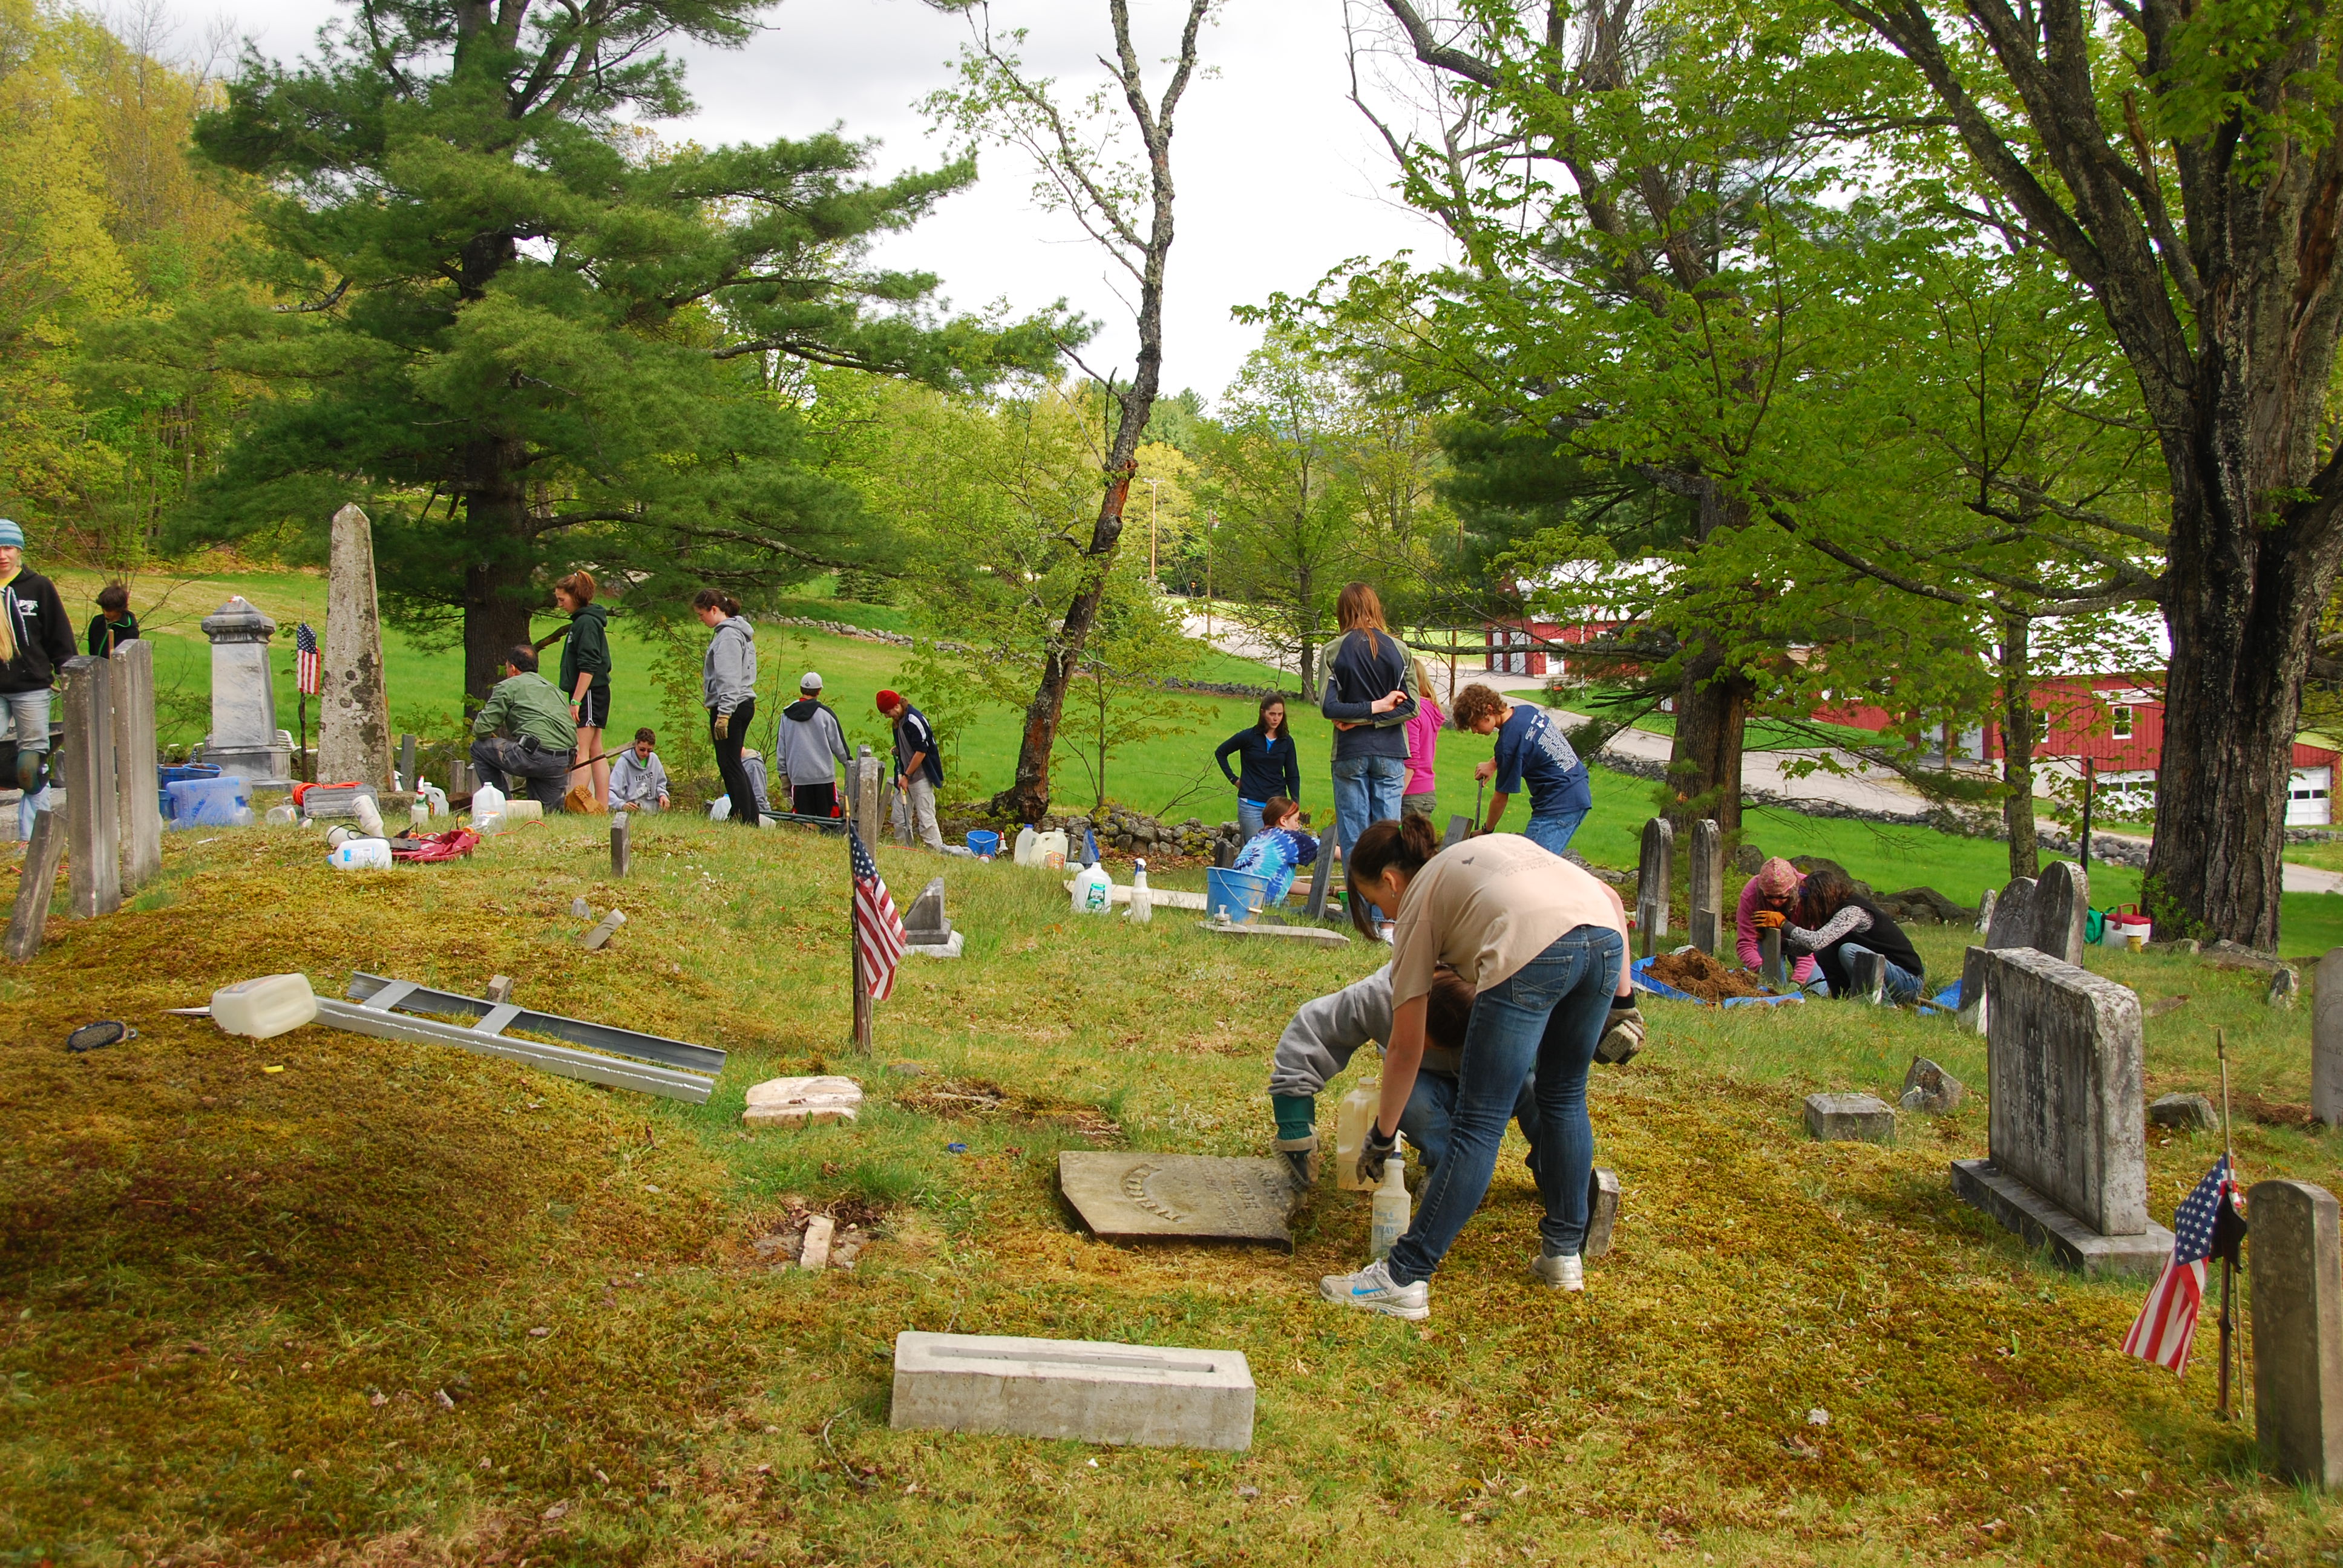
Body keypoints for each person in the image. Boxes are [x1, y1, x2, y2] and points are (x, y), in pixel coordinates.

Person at [1318, 815, 1639, 1319]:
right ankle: (1563, 1253)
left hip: (1531, 947)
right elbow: (1612, 899)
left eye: (1377, 902)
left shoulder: (1420, 900)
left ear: (1391, 881)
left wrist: (1383, 1134)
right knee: (1563, 1096)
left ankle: (1404, 1277)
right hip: (1603, 941)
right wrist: (1625, 999)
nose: (1385, 914)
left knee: (1479, 1122)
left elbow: (1404, 1047)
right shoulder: (1490, 850)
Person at [1268, 963, 1544, 1187]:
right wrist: (1294, 1122)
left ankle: (1553, 1171)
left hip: (1499, 1075)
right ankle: (1443, 1166)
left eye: (1429, 1047)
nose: (1419, 1048)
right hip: (1424, 1084)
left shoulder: (1508, 1006)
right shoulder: (1380, 995)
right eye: (1413, 1041)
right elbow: (1313, 1030)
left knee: (1539, 1089)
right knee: (1409, 1100)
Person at [1319, 582, 1415, 913]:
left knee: (1355, 838)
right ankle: (1386, 916)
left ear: (1343, 610)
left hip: (1349, 753)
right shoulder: (1400, 650)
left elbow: (1330, 708)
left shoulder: (1333, 650)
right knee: (1389, 838)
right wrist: (1379, 709)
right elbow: (1411, 706)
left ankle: (1359, 915)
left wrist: (1360, 719)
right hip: (1390, 754)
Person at [1452, 682, 1595, 855]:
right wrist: (1494, 763)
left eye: (1474, 724)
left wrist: (1486, 831)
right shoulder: (1526, 712)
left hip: (1559, 804)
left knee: (1530, 865)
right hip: (1577, 789)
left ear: (1488, 710)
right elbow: (1526, 744)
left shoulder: (1507, 745)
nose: (1474, 731)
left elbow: (1501, 797)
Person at [0, 520, 76, 840]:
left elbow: (59, 635)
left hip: (31, 687)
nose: (2, 555)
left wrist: (70, 672)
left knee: (31, 765)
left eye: (8, 548)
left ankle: (33, 839)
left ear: (19, 551)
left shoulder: (38, 587)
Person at [1768, 864, 1926, 1004]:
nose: (1804, 902)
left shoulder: (1853, 911)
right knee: (1826, 951)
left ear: (1821, 897)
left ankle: (1882, 1004)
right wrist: (1783, 945)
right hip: (1886, 976)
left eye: (1806, 897)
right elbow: (1810, 949)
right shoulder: (1832, 911)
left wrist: (1784, 924)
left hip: (1908, 981)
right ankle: (1842, 999)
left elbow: (1816, 941)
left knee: (1849, 950)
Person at [469, 644, 577, 808]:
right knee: (546, 810)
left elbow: (481, 729)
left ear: (512, 668)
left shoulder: (509, 686)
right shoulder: (554, 690)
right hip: (562, 761)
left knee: (479, 748)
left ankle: (500, 805)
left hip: (533, 755)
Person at [695, 588, 759, 828]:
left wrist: (724, 713)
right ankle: (747, 813)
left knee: (729, 763)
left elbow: (729, 677)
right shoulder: (732, 633)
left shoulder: (728, 637)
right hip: (738, 704)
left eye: (702, 614)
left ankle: (743, 817)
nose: (700, 619)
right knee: (731, 762)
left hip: (731, 706)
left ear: (714, 610)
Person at [554, 571, 612, 809]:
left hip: (588, 692)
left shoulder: (586, 623)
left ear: (575, 596)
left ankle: (579, 804)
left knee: (581, 750)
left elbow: (588, 666)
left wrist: (576, 701)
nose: (559, 604)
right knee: (596, 748)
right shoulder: (582, 621)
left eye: (562, 599)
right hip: (591, 692)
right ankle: (601, 805)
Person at [1214, 695, 1302, 840]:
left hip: (1277, 807)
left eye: (1280, 714)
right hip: (1250, 806)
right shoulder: (1249, 737)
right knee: (1256, 850)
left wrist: (1295, 803)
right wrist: (1234, 779)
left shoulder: (1287, 741)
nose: (1276, 718)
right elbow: (1221, 752)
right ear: (1263, 713)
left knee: (1278, 849)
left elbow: (1292, 774)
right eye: (1272, 714)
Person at [877, 689, 945, 849]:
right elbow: (911, 745)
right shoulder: (899, 721)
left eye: (887, 712)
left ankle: (936, 850)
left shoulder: (914, 720)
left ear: (896, 706)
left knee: (926, 818)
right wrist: (900, 749)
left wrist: (907, 776)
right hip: (903, 776)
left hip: (920, 777)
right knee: (900, 817)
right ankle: (904, 849)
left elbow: (921, 752)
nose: (887, 716)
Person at [1736, 856, 1818, 987]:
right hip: (1766, 942)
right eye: (1769, 897)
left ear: (1792, 889)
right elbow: (1746, 943)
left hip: (1802, 943)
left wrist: (1798, 981)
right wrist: (1762, 970)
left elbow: (1809, 943)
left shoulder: (1808, 892)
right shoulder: (1750, 894)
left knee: (1818, 989)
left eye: (1781, 897)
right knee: (1774, 985)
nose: (1775, 902)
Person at [776, 670, 848, 818]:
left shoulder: (786, 715)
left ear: (801, 689)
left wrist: (784, 774)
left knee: (804, 818)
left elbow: (781, 748)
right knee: (827, 819)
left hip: (799, 776)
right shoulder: (825, 714)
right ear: (819, 691)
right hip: (824, 776)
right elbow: (838, 745)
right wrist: (849, 763)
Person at [1229, 795, 1319, 908]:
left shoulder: (1257, 840)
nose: (1297, 826)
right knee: (1318, 913)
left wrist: (1331, 891)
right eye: (1295, 820)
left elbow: (1282, 884)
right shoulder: (1287, 838)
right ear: (1283, 821)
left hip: (1236, 902)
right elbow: (1330, 848)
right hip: (1257, 909)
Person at [1400, 657, 1446, 820]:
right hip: (1426, 788)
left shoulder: (1412, 713)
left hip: (1411, 791)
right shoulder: (1430, 708)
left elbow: (1411, 760)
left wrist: (1397, 795)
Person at [608, 727, 670, 812]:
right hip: (631, 809)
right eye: (642, 749)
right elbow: (611, 792)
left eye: (649, 751)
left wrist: (663, 795)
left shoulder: (654, 759)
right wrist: (622, 805)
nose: (645, 753)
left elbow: (661, 783)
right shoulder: (623, 763)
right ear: (635, 744)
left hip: (653, 810)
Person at [85, 583, 140, 658]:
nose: (105, 613)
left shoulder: (130, 630)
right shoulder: (97, 621)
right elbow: (93, 650)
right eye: (103, 609)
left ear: (119, 609)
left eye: (109, 610)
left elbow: (131, 656)